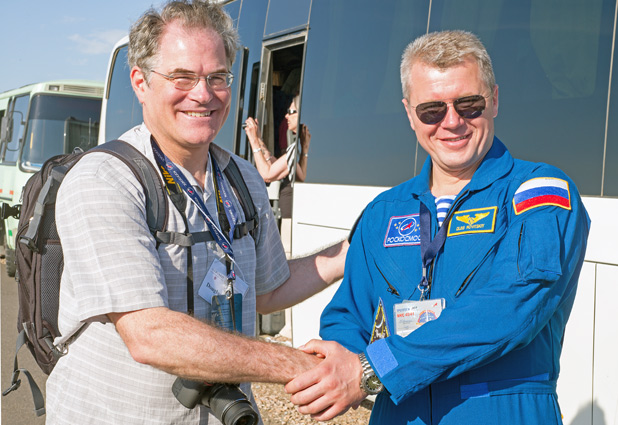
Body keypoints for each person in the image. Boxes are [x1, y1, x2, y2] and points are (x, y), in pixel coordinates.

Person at [45, 1, 347, 424]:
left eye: (217, 77)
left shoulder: (242, 178)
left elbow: (267, 292)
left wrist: (349, 254)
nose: (203, 94)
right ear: (141, 82)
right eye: (182, 77)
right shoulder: (105, 179)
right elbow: (150, 335)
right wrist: (304, 368)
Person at [285, 30, 590, 425]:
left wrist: (373, 368)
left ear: (494, 100)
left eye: (469, 105)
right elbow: (347, 315)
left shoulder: (539, 193)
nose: (452, 122)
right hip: (400, 412)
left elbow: (510, 309)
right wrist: (338, 358)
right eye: (432, 110)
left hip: (500, 411)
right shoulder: (382, 211)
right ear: (409, 113)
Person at [244, 95, 310, 218]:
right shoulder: (301, 145)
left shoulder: (294, 149)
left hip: (289, 214)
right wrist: (260, 140)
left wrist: (253, 141)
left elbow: (267, 175)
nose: (286, 116)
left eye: (291, 112)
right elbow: (276, 165)